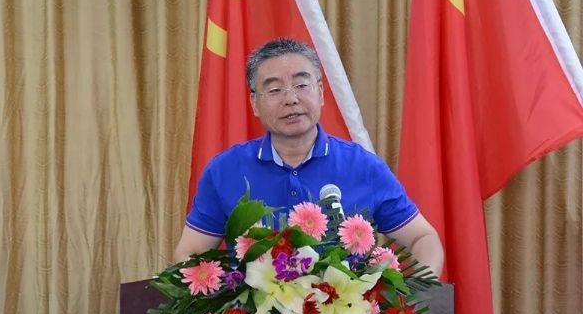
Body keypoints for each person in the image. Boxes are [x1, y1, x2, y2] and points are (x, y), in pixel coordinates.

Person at [174, 38, 444, 277]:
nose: (291, 99)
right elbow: (189, 252)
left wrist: (413, 297)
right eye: (274, 90)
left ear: (321, 93)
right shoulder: (225, 171)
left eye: (301, 85)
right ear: (254, 103)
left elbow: (423, 238)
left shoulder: (363, 167)